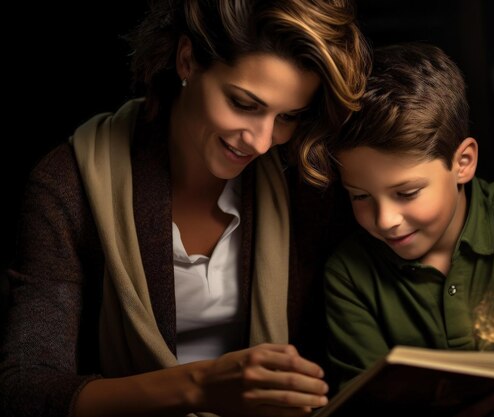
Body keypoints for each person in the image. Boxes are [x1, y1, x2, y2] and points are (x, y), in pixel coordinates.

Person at [0, 1, 371, 416]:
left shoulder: (302, 182)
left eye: (287, 117)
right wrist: (201, 386)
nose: (262, 142)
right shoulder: (69, 185)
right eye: (244, 104)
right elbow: (27, 391)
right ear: (187, 60)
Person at [318, 42, 494, 415]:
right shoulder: (347, 274)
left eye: (406, 192)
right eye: (359, 196)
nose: (385, 219)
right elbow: (363, 400)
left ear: (463, 162)